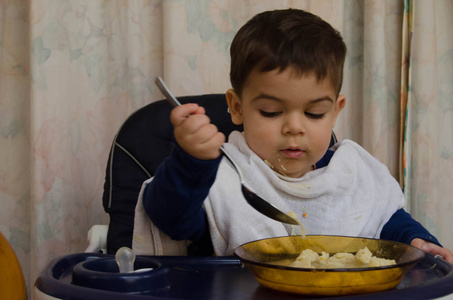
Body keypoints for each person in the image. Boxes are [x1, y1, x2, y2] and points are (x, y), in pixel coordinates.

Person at [137, 9, 453, 262]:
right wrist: (191, 161)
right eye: (272, 112)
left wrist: (417, 242)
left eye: (315, 114)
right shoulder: (223, 178)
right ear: (236, 108)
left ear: (336, 110)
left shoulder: (351, 173)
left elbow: (388, 221)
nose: (294, 128)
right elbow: (170, 218)